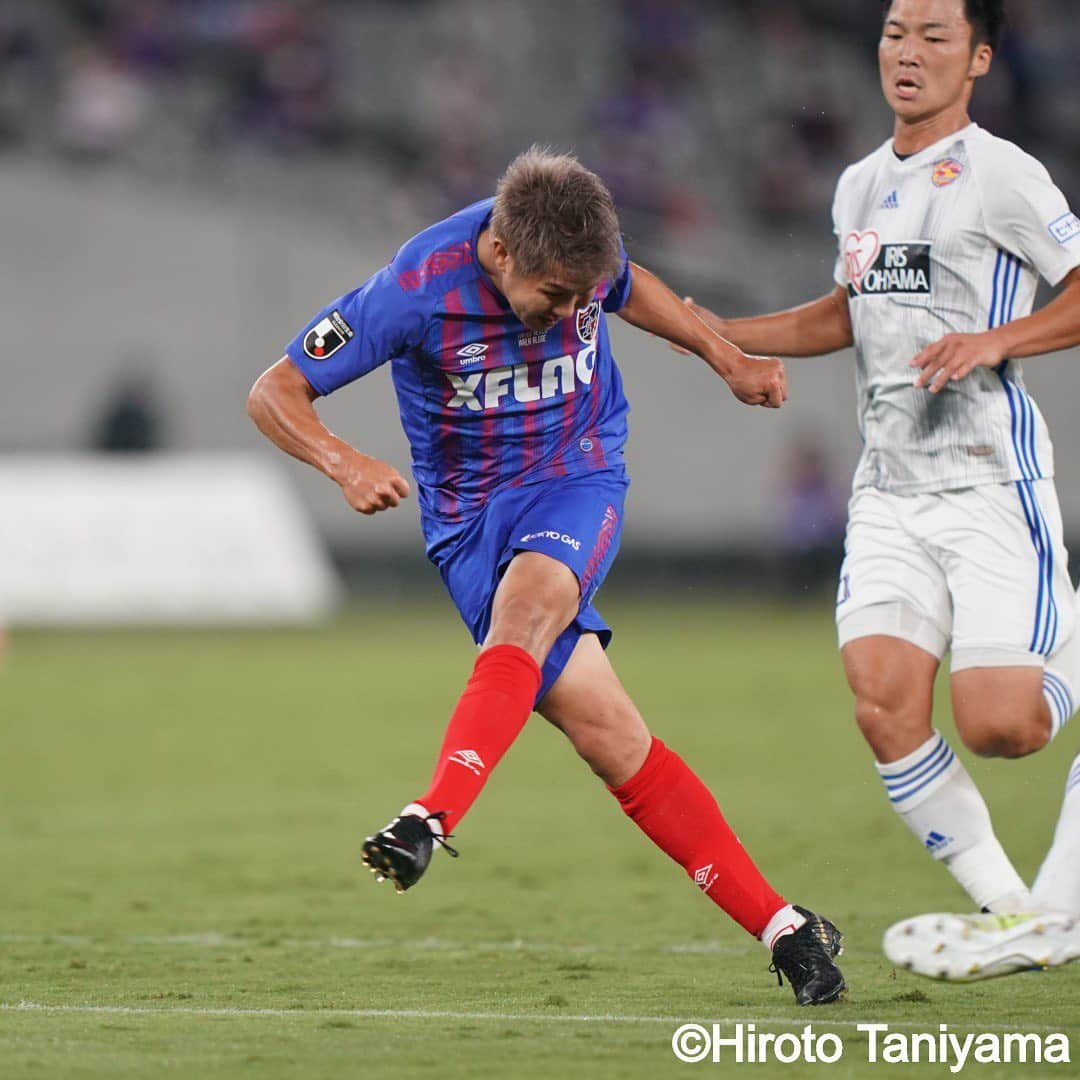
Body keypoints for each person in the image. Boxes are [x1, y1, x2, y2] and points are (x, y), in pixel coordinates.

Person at [247, 147, 846, 1005]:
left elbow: (631, 287)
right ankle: (789, 930)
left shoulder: (581, 264)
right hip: (465, 523)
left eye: (579, 299)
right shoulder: (417, 285)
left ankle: (429, 815)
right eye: (554, 298)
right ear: (499, 253)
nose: (569, 313)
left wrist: (726, 356)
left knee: (526, 612)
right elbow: (274, 390)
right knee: (614, 743)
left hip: (577, 472)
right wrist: (343, 463)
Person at [683, 0, 1080, 936]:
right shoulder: (861, 183)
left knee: (1001, 728)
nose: (908, 52)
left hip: (989, 480)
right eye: (896, 33)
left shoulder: (1002, 173)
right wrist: (715, 334)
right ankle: (1017, 915)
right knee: (882, 705)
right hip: (889, 492)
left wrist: (997, 340)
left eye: (935, 36)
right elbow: (844, 312)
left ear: (978, 59)